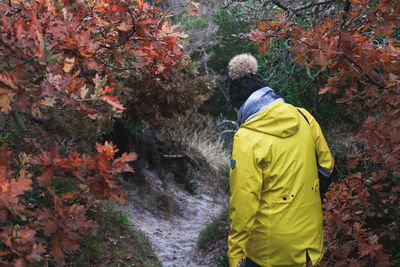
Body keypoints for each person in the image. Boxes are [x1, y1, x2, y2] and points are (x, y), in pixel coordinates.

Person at [226, 54, 335, 267]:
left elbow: (244, 203)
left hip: (268, 252)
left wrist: (235, 254)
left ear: (240, 106)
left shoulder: (246, 138)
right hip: (309, 242)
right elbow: (326, 167)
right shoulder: (304, 117)